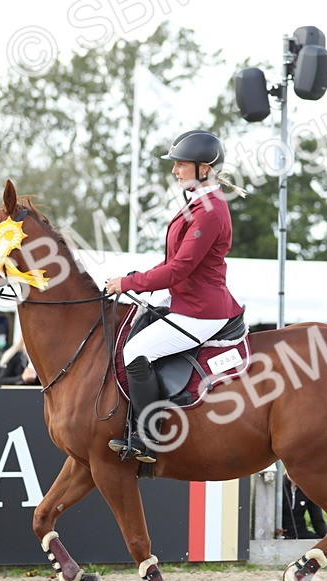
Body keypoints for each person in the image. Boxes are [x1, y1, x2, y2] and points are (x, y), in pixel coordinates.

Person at [104, 130, 244, 463]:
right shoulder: (199, 204)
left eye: (181, 164)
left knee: (135, 350)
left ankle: (148, 436)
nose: (174, 171)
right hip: (183, 299)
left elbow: (178, 269)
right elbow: (172, 264)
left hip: (201, 311)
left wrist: (129, 283)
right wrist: (134, 279)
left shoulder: (210, 211)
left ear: (204, 168)